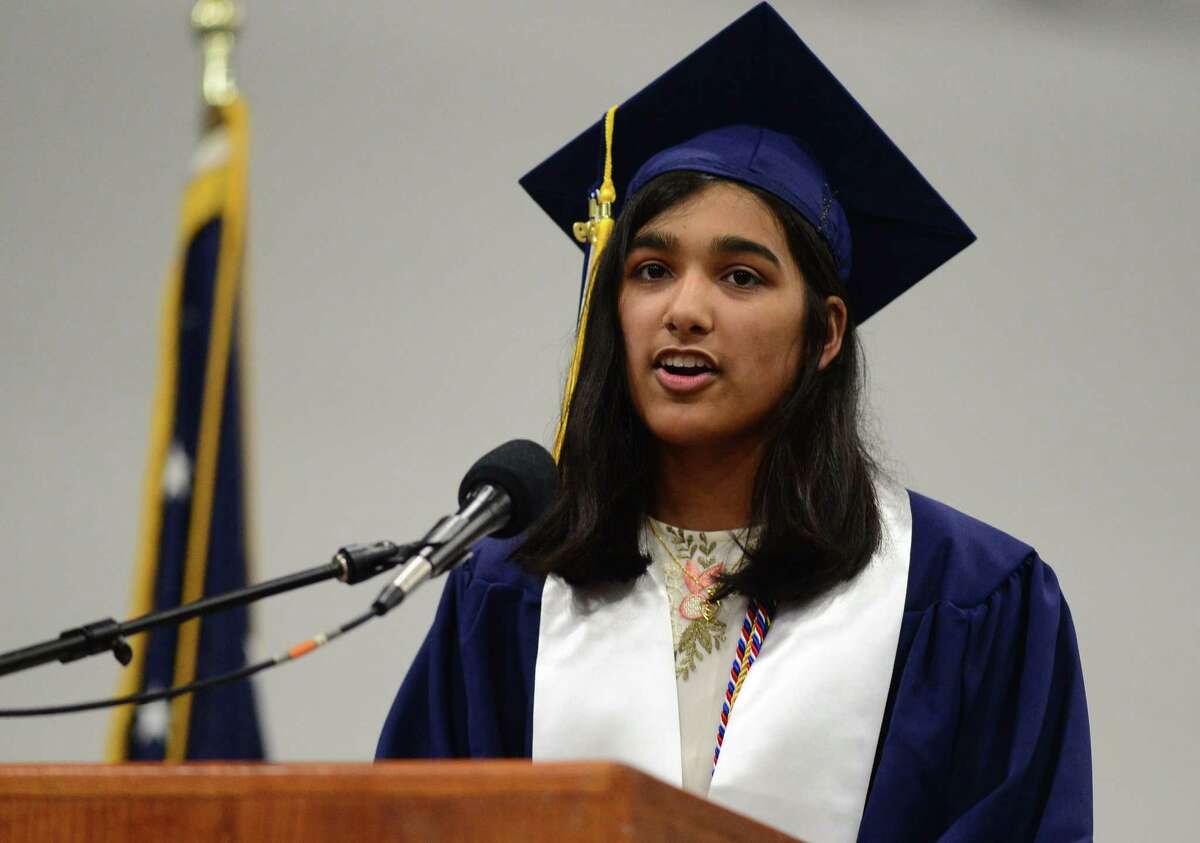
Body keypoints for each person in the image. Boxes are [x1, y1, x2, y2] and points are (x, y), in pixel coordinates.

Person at [376, 5, 1092, 841]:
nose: (684, 309)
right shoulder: (509, 593)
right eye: (650, 269)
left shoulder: (968, 596)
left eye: (740, 276)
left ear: (825, 332)